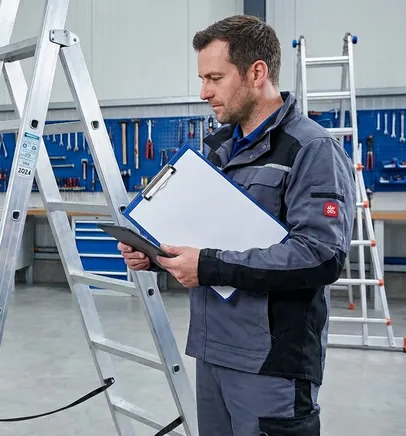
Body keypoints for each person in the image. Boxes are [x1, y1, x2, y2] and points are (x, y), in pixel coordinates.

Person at [118, 15, 355, 436]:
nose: (204, 92)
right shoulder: (219, 151)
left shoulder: (312, 149)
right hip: (212, 351)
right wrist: (156, 257)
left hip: (271, 364)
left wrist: (207, 266)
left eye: (215, 78)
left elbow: (321, 256)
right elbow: (210, 238)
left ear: (256, 73)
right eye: (202, 79)